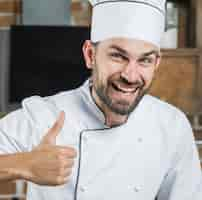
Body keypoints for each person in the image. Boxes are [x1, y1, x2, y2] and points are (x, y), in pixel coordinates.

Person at [0, 0, 201, 199]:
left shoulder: (172, 126)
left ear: (156, 63)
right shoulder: (45, 116)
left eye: (144, 60)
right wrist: (24, 164)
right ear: (90, 55)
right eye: (118, 56)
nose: (130, 76)